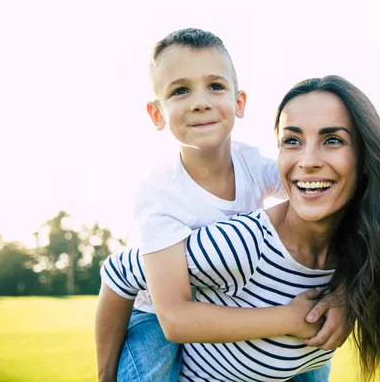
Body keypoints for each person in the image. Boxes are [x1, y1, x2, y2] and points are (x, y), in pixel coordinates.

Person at [102, 75, 380, 382]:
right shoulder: (243, 244)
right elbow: (120, 272)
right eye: (292, 140)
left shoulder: (363, 251)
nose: (308, 160)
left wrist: (347, 293)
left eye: (333, 140)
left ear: (367, 157)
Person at [95, 29, 344, 382]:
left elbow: (316, 201)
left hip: (227, 294)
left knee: (310, 354)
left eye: (215, 86)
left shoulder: (253, 164)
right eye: (180, 90)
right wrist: (288, 317)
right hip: (157, 311)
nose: (200, 102)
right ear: (157, 114)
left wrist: (344, 292)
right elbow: (175, 319)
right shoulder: (160, 192)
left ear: (239, 102)